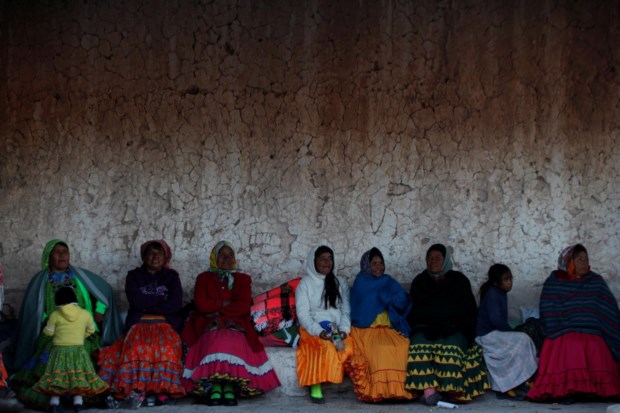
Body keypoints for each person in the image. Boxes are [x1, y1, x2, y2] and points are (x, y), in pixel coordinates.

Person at [12, 240, 123, 410]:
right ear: (48, 257)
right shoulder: (40, 281)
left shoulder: (80, 277)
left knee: (84, 353)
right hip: (55, 332)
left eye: (65, 251)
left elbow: (103, 291)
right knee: (50, 355)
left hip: (82, 332)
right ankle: (58, 399)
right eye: (57, 252)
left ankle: (77, 398)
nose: (62, 255)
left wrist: (99, 311)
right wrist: (47, 320)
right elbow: (34, 309)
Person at [182, 241, 280, 406]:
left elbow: (242, 306)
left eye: (230, 255)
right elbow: (201, 304)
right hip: (206, 323)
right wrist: (225, 303)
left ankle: (228, 387)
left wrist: (216, 309)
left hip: (236, 322)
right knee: (214, 340)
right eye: (222, 256)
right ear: (214, 258)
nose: (227, 259)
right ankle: (215, 387)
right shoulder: (203, 278)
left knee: (231, 340)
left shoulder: (243, 279)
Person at [527, 244, 620, 403]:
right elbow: (548, 309)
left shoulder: (595, 281)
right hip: (561, 329)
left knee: (595, 345)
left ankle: (592, 390)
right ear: (569, 262)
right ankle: (568, 390)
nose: (584, 263)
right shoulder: (555, 281)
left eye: (586, 259)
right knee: (571, 344)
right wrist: (568, 322)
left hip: (592, 330)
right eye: (579, 259)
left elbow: (607, 309)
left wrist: (588, 321)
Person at [98, 240, 186, 407]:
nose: (155, 257)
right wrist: (161, 301)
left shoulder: (172, 277)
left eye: (159, 253)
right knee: (135, 349)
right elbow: (135, 301)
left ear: (165, 257)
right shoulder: (134, 276)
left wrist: (147, 305)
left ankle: (161, 390)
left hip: (166, 324)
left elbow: (175, 304)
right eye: (151, 253)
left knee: (166, 349)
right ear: (144, 257)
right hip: (139, 323)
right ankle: (139, 390)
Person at [405, 243, 489, 405]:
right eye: (429, 258)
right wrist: (430, 323)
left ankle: (451, 390)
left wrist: (453, 325)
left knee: (450, 348)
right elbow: (415, 310)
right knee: (418, 346)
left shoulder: (459, 280)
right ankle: (429, 391)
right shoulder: (420, 281)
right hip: (426, 327)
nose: (433, 262)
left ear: (446, 260)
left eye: (437, 258)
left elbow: (467, 310)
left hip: (453, 327)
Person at [347, 247, 413, 402]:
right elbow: (359, 308)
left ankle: (398, 391)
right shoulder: (361, 282)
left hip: (388, 326)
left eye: (381, 263)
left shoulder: (388, 281)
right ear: (366, 265)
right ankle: (382, 391)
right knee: (380, 349)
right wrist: (382, 297)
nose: (378, 266)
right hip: (366, 328)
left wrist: (387, 297)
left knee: (403, 346)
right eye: (374, 263)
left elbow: (402, 299)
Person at [32, 287, 109, 413]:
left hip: (59, 351)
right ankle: (78, 404)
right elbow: (91, 329)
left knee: (57, 376)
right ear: (74, 298)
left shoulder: (55, 315)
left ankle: (54, 404)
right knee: (78, 375)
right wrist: (80, 337)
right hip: (78, 350)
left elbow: (49, 332)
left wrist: (53, 332)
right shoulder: (85, 314)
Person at [295, 245, 353, 404]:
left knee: (348, 347)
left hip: (336, 327)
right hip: (313, 327)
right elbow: (303, 315)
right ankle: (315, 384)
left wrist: (343, 330)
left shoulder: (339, 282)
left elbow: (346, 310)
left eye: (330, 258)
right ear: (313, 261)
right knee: (322, 346)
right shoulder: (305, 284)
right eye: (322, 258)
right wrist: (319, 331)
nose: (327, 262)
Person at [475, 264, 537, 400]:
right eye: (506, 279)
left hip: (494, 333)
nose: (510, 282)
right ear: (496, 282)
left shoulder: (500, 293)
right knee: (522, 339)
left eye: (510, 279)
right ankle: (513, 383)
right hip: (486, 336)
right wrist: (511, 332)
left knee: (523, 340)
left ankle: (520, 381)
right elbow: (496, 320)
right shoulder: (493, 294)